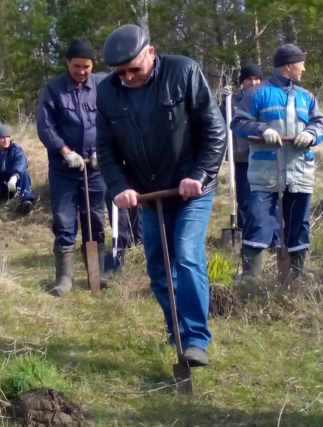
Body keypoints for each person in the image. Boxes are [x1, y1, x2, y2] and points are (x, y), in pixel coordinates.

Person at [96, 24, 226, 366]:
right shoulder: (108, 93)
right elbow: (106, 150)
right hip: (150, 195)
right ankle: (177, 331)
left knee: (185, 254)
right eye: (120, 72)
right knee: (158, 269)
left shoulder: (183, 71)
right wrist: (119, 186)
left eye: (133, 68)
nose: (127, 76)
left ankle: (196, 338)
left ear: (150, 52)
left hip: (191, 191)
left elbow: (214, 129)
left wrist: (198, 174)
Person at [36, 38, 134, 296]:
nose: (81, 71)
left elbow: (117, 118)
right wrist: (65, 151)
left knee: (95, 219)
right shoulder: (54, 89)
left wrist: (106, 151)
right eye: (77, 66)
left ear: (93, 65)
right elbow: (45, 126)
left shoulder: (104, 85)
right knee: (64, 220)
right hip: (64, 169)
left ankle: (96, 275)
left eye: (86, 66)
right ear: (68, 63)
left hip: (96, 169)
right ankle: (64, 279)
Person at [230, 44, 323, 280]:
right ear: (288, 65)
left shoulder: (306, 97)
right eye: (301, 63)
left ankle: (293, 281)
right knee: (258, 222)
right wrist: (262, 129)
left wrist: (312, 133)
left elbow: (321, 124)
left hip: (299, 172)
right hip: (265, 172)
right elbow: (238, 123)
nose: (304, 68)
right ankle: (250, 281)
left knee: (299, 225)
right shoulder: (257, 94)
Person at [220, 63, 264, 235]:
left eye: (257, 79)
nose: (253, 83)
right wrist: (224, 103)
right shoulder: (233, 101)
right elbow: (219, 120)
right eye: (249, 79)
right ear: (242, 82)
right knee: (244, 198)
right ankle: (245, 234)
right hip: (241, 156)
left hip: (263, 156)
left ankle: (266, 233)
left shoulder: (266, 98)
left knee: (264, 197)